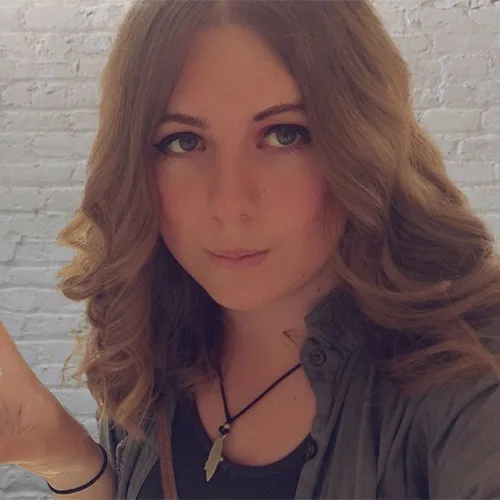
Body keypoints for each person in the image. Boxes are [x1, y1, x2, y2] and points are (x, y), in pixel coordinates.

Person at [1, 0, 500, 498]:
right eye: (183, 142)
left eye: (284, 135)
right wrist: (70, 461)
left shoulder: (471, 381)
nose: (229, 204)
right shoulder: (152, 338)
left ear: (364, 142)